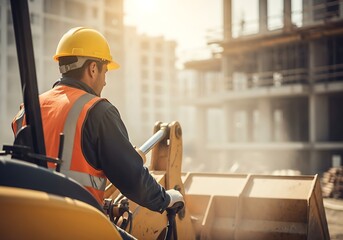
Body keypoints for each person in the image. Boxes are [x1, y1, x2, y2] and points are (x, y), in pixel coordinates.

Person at [11, 27, 184, 239]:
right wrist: (166, 200)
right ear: (93, 68)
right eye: (105, 72)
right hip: (77, 225)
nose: (105, 81)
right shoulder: (97, 111)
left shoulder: (26, 110)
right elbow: (133, 179)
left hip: (25, 223)